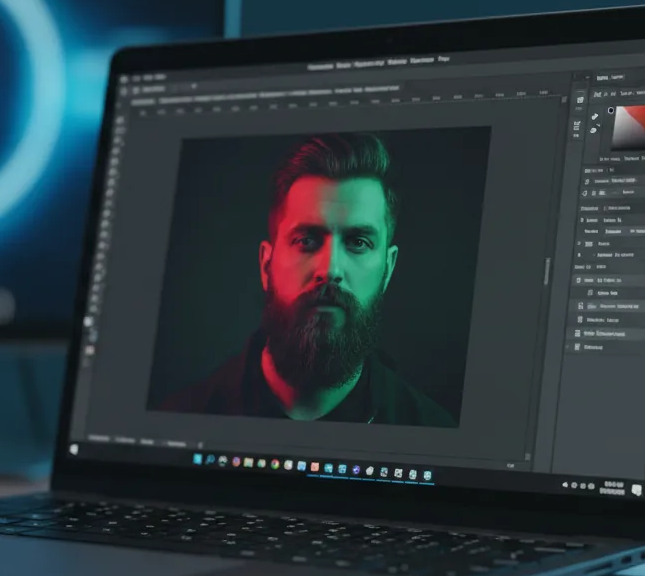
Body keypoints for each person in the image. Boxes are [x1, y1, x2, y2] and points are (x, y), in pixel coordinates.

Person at [159, 133, 454, 426]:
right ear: (266, 265)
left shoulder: (433, 430)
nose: (330, 269)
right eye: (306, 240)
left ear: (388, 270)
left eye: (358, 242)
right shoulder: (176, 419)